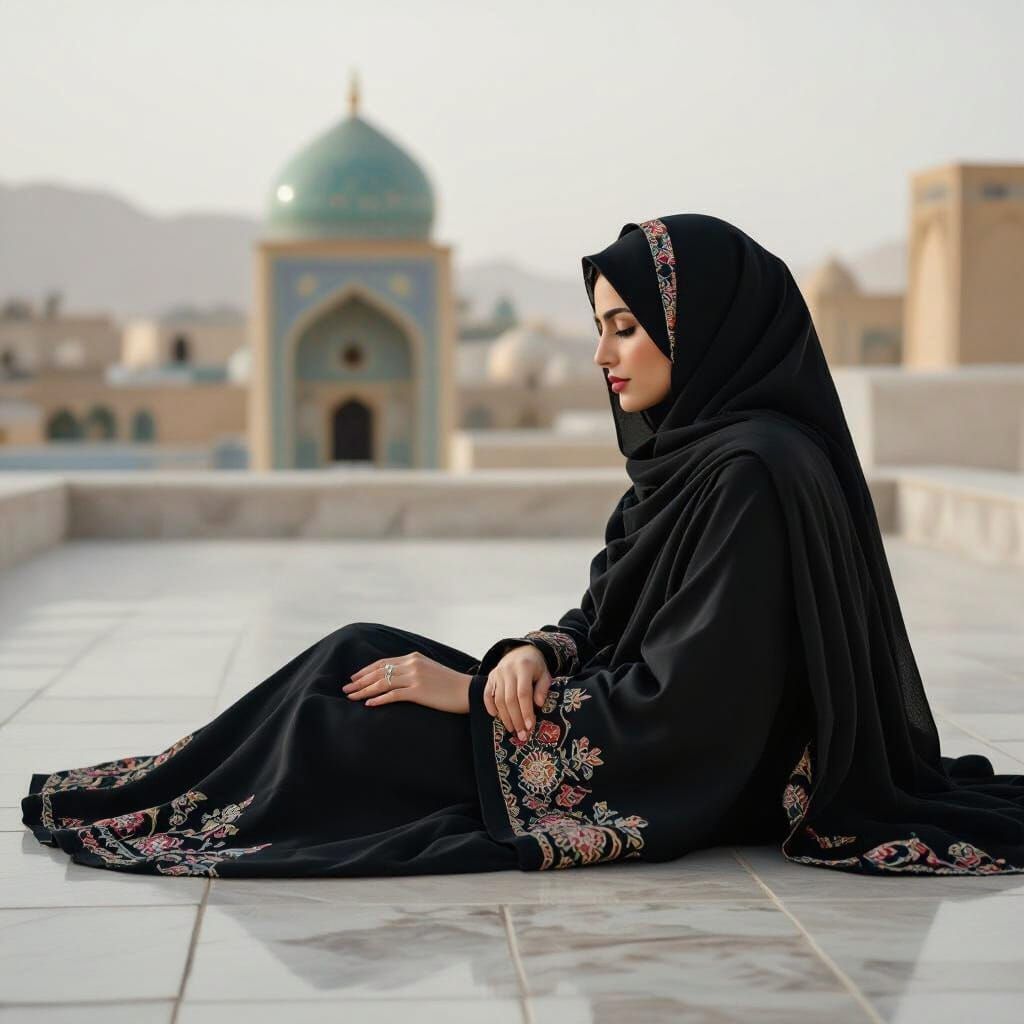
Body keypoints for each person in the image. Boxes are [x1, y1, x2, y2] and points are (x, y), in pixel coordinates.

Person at [20, 213, 1024, 878]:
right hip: (623, 721)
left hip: (676, 765)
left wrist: (471, 694)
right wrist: (534, 654)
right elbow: (604, 613)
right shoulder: (698, 458)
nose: (601, 358)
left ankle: (169, 808)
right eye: (599, 329)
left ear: (699, 324)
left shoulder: (752, 474)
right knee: (359, 650)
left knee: (352, 712)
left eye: (625, 328)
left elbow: (695, 702)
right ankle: (162, 793)